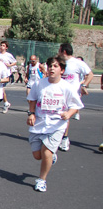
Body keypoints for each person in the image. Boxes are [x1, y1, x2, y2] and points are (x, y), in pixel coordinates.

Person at [27, 56, 83, 192]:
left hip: (56, 125)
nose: (52, 68)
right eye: (50, 65)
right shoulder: (40, 83)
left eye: (56, 66)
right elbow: (32, 99)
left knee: (46, 152)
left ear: (62, 70)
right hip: (39, 124)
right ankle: (51, 156)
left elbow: (76, 105)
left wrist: (68, 114)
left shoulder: (66, 87)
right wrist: (32, 113)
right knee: (37, 155)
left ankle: (42, 180)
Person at [57, 43, 93, 151]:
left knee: (65, 116)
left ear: (64, 51)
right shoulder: (59, 63)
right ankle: (59, 136)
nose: (58, 52)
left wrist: (84, 85)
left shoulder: (77, 63)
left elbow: (90, 74)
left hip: (71, 95)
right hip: (59, 93)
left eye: (59, 50)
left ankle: (64, 139)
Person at [0, 41, 16, 113]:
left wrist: (10, 65)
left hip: (5, 75)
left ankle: (5, 103)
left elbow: (15, 62)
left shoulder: (8, 55)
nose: (1, 47)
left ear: (6, 47)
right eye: (1, 45)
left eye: (3, 45)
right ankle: (5, 103)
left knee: (1, 89)